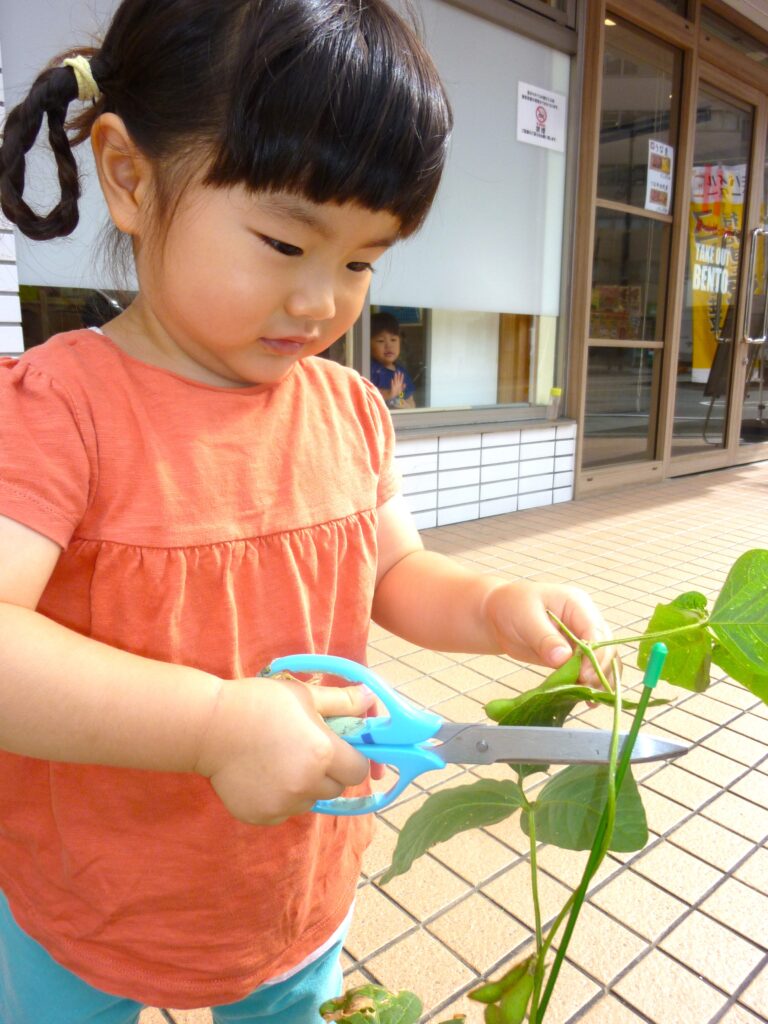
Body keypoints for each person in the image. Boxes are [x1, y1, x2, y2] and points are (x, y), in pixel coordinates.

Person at [0, 3, 612, 1022]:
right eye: (287, 242)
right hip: (85, 897)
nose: (325, 302)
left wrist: (499, 603)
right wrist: (209, 726)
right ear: (130, 177)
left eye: (364, 260)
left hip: (290, 889)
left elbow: (395, 573)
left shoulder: (349, 411)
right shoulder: (59, 411)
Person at [369, 311, 416, 408]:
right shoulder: (369, 369)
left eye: (393, 340)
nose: (389, 346)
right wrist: (389, 394)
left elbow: (408, 400)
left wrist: (403, 403)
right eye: (381, 341)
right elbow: (366, 397)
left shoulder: (401, 373)